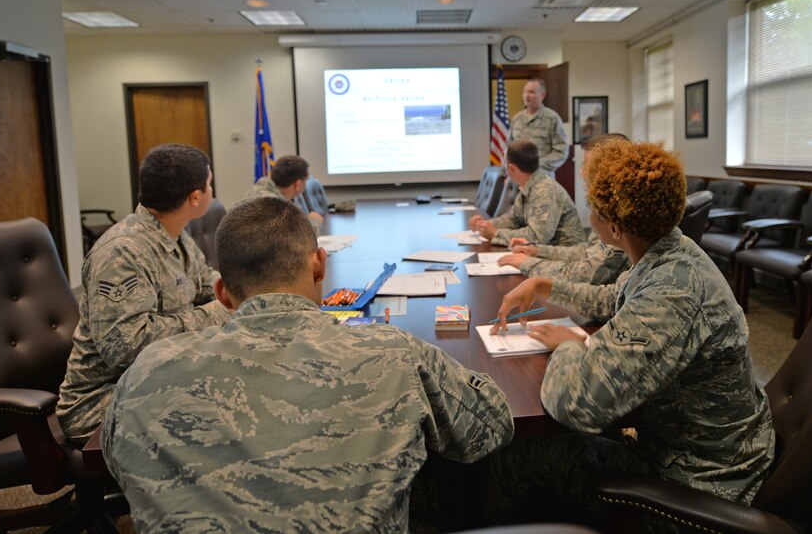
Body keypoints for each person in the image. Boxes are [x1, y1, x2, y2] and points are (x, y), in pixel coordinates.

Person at [102, 197, 514, 533]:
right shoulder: (393, 353)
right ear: (319, 264)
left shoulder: (146, 372)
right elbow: (491, 427)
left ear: (222, 294)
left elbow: (120, 463)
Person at [488, 140, 774, 521]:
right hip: (698, 441)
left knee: (522, 454)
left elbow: (573, 405)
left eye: (592, 206)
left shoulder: (671, 292)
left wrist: (570, 346)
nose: (589, 213)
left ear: (615, 227)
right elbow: (613, 299)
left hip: (700, 478)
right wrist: (546, 285)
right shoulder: (670, 249)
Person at [57, 144, 231, 441]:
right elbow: (127, 346)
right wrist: (218, 312)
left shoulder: (175, 235)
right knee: (225, 403)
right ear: (195, 198)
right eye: (210, 184)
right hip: (102, 400)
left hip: (152, 378)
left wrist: (246, 295)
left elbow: (207, 284)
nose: (212, 190)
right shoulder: (123, 253)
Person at [496, 134, 630, 286]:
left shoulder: (621, 211)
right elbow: (587, 252)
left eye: (588, 167)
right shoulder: (606, 205)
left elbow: (591, 273)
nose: (581, 173)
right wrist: (537, 251)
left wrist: (529, 264)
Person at [468, 139, 585, 247]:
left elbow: (537, 237)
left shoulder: (544, 191)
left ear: (512, 168)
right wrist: (484, 225)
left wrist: (496, 233)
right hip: (547, 252)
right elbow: (513, 219)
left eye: (504, 164)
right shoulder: (530, 185)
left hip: (565, 255)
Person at [233, 154, 324, 234]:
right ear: (298, 184)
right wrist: (315, 222)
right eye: (306, 181)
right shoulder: (275, 205)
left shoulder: (262, 188)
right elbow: (297, 242)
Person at [509, 78, 568, 173]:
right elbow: (509, 147)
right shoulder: (517, 119)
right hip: (518, 178)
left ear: (542, 95)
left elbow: (561, 151)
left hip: (542, 177)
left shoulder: (552, 118)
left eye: (531, 92)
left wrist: (536, 165)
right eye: (525, 92)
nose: (527, 96)